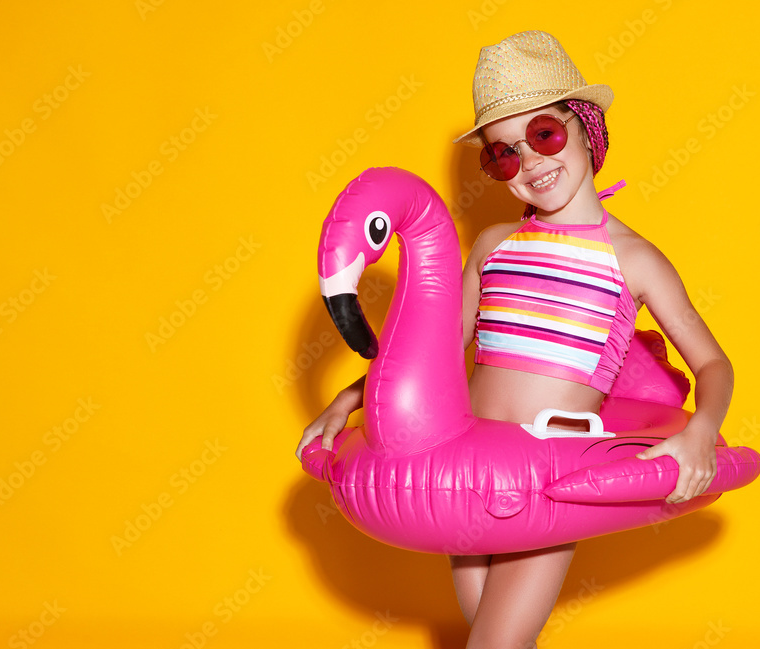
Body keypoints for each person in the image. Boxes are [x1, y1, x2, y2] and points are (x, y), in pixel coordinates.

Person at [296, 30, 733, 649]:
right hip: (464, 468)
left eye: (544, 135)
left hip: (545, 476)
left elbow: (714, 363)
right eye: (503, 155)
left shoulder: (634, 259)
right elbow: (435, 354)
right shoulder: (493, 246)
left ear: (585, 127)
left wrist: (701, 432)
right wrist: (348, 400)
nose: (529, 164)